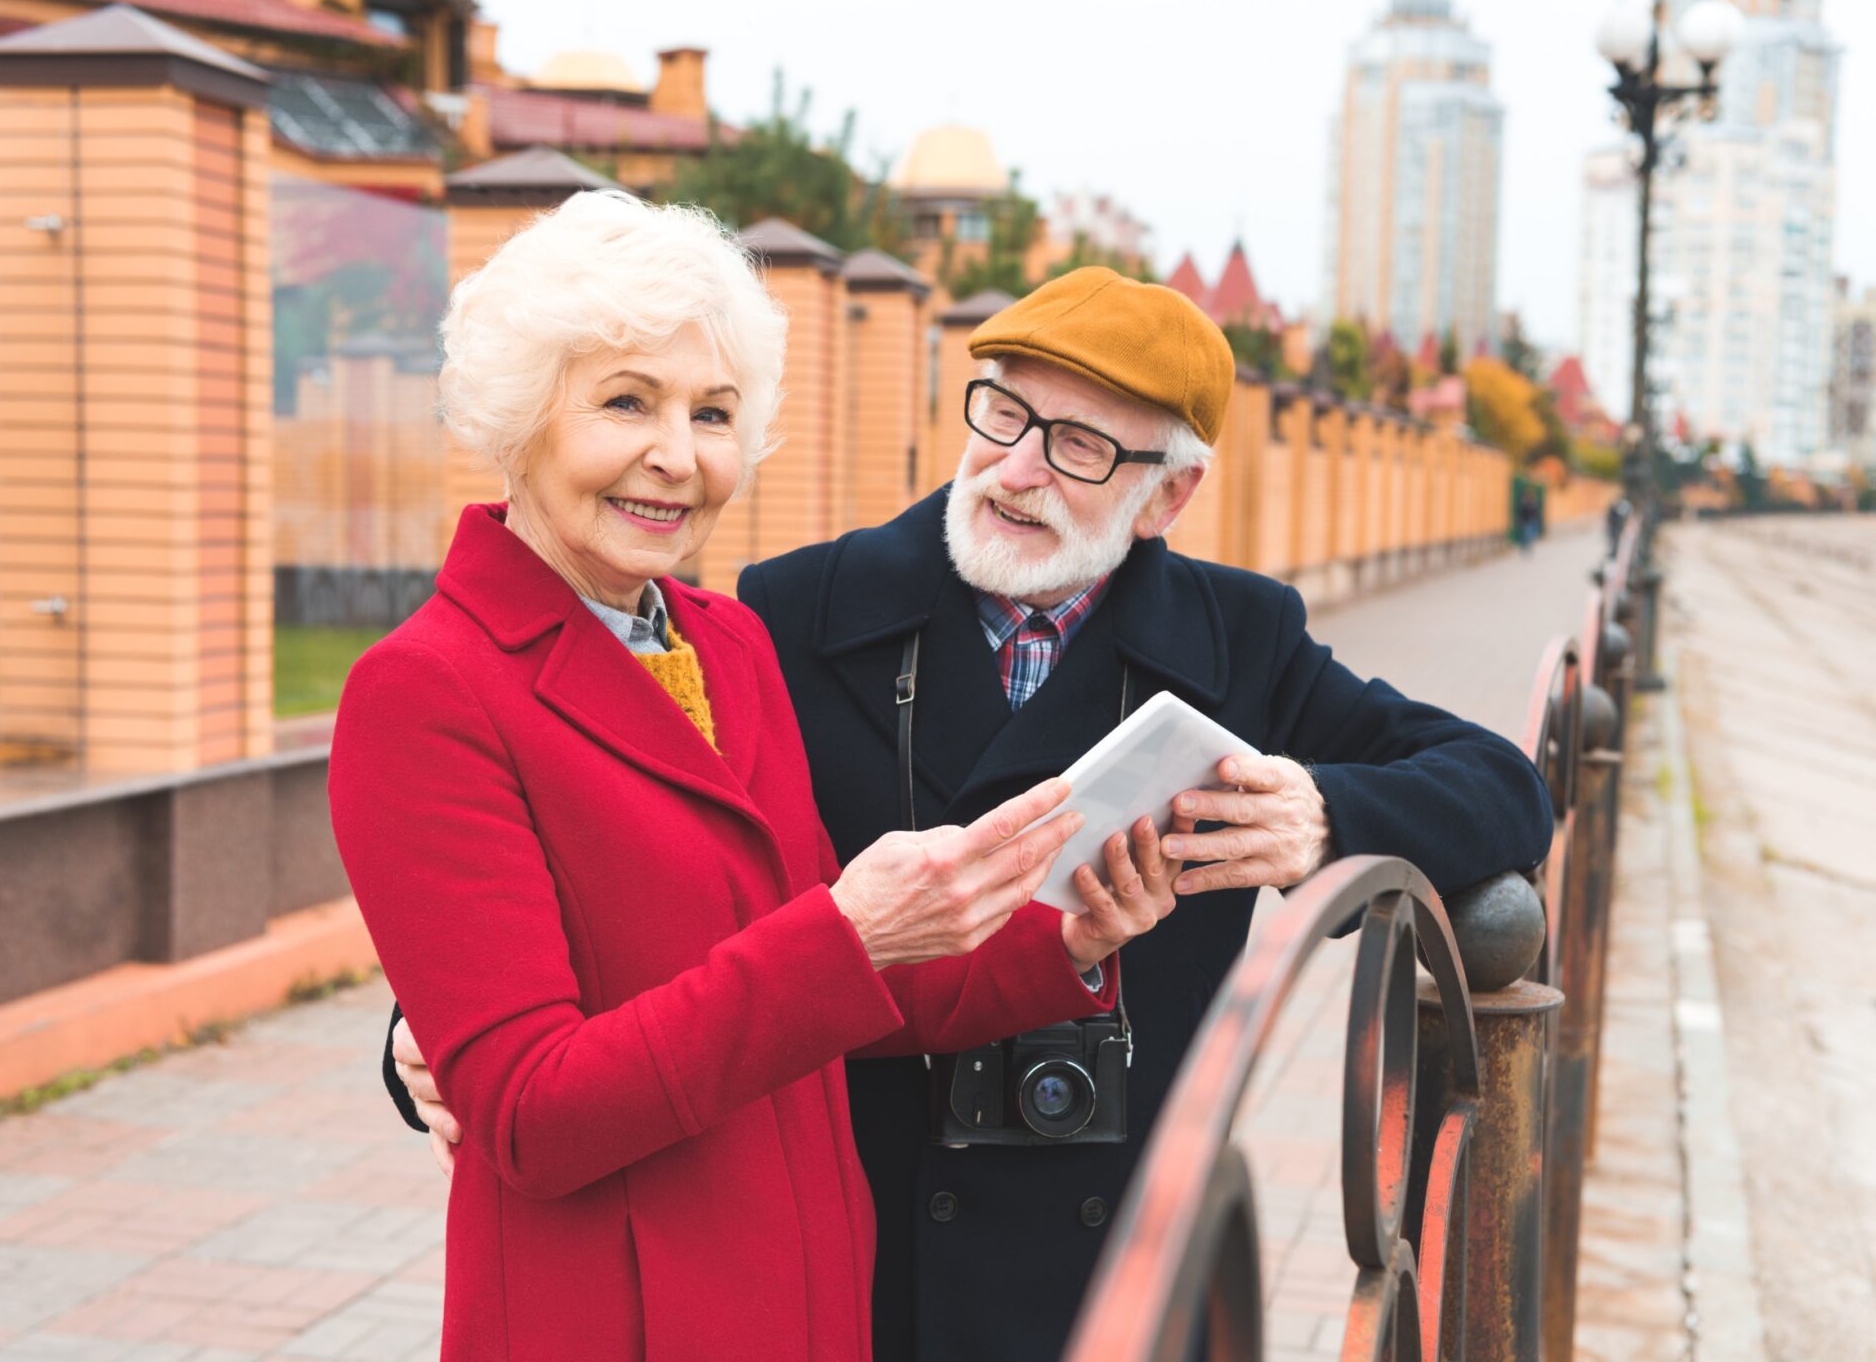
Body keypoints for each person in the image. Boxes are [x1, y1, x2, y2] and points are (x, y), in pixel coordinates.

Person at [384, 266, 1555, 1361]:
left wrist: (1322, 817)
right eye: (1001, 414)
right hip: (856, 1235)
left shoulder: (1236, 638)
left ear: (1169, 493)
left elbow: (1502, 784)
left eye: (1081, 444)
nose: (1017, 467)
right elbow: (631, 853)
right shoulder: (793, 609)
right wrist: (422, 1022)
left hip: (1114, 1245)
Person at [330, 200, 1185, 1362]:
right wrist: (842, 930)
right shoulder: (426, 688)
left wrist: (1065, 938)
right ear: (521, 415)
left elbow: (836, 988)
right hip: (615, 1316)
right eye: (625, 400)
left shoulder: (725, 644)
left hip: (807, 1300)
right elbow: (530, 1114)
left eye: (713, 413)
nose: (678, 456)